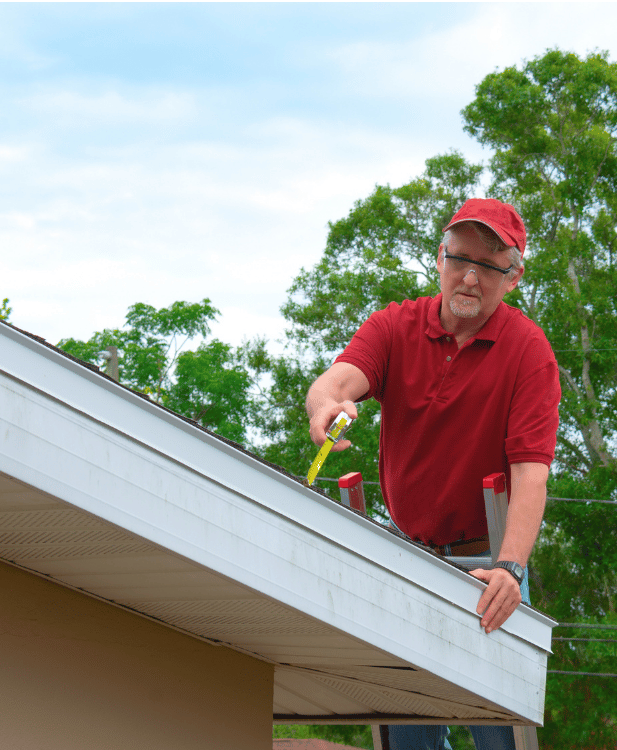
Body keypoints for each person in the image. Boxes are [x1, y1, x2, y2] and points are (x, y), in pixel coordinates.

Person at [305, 198, 561, 750]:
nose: (470, 277)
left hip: (486, 570)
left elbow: (532, 473)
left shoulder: (528, 352)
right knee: (405, 735)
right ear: (439, 259)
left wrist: (510, 570)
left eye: (490, 266)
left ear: (512, 277)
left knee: (500, 735)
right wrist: (326, 404)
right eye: (459, 259)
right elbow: (339, 379)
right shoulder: (395, 326)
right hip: (408, 558)